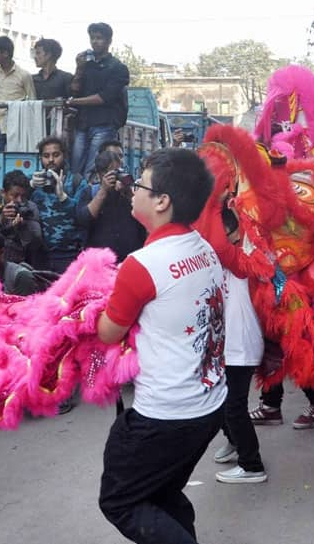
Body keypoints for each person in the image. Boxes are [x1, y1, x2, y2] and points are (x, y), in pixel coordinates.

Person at [96, 148, 225, 544]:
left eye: (139, 184)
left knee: (120, 501)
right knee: (162, 492)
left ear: (162, 200)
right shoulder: (202, 248)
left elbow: (107, 332)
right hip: (208, 404)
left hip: (165, 415)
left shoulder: (143, 264)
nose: (131, 190)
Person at [213, 207, 267, 484]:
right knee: (219, 401)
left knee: (234, 406)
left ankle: (252, 465)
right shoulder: (219, 256)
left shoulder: (245, 256)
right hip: (224, 343)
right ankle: (235, 442)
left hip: (241, 344)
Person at [67, 22, 129, 177]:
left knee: (93, 168)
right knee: (75, 168)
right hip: (83, 124)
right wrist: (79, 68)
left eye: (99, 38)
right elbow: (74, 90)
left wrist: (74, 102)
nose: (95, 41)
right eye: (92, 38)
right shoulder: (86, 66)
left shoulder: (118, 68)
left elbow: (104, 98)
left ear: (109, 41)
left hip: (104, 124)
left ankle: (90, 198)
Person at [29, 137, 90, 274]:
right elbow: (14, 201)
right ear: (40, 158)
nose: (51, 160)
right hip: (40, 256)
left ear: (64, 156)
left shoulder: (77, 182)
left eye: (56, 155)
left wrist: (63, 197)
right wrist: (30, 186)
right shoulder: (34, 181)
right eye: (46, 156)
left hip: (70, 256)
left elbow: (83, 216)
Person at [76, 149, 146, 262]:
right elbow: (83, 220)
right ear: (100, 174)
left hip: (130, 259)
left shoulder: (130, 190)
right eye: (112, 173)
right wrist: (103, 191)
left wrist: (127, 192)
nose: (116, 175)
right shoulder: (90, 192)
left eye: (118, 170)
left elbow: (144, 215)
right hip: (100, 263)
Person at [0, 35, 36, 152]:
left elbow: (33, 102)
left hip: (18, 123)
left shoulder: (24, 75)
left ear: (5, 53)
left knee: (17, 155)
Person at [0, 170, 45, 267]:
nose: (19, 200)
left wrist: (22, 227)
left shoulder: (30, 208)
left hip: (22, 264)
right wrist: (1, 219)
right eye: (15, 195)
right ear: (3, 193)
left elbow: (36, 242)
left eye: (23, 196)